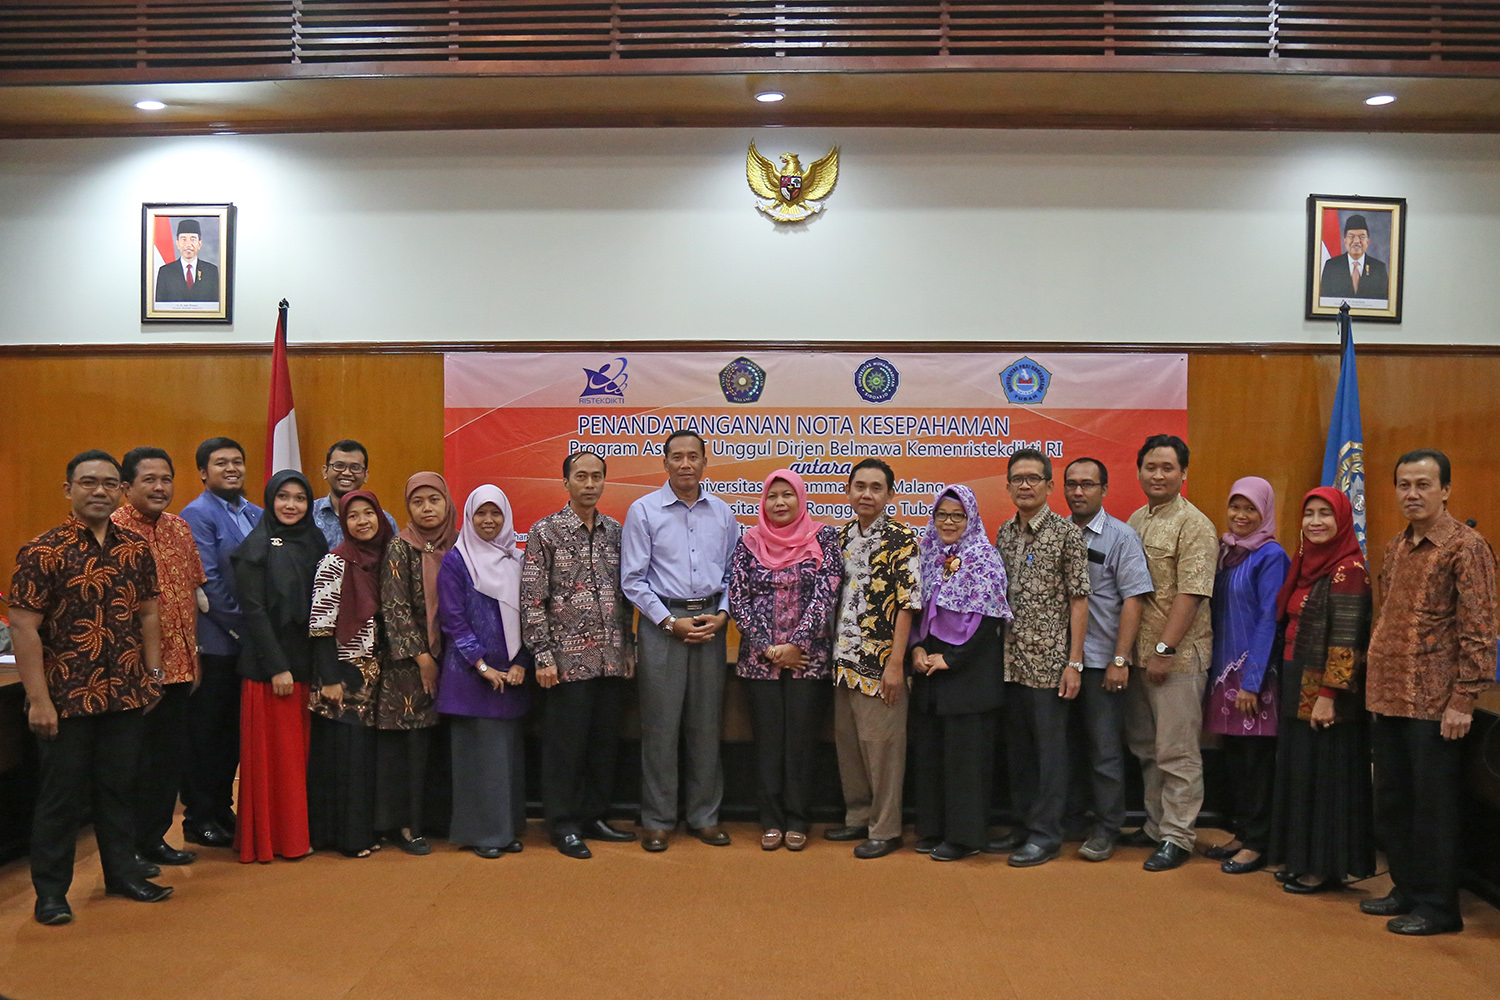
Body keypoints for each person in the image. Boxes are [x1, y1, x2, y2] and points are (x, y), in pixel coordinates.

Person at [10, 451, 170, 925]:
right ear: (69, 490)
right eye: (88, 483)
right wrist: (38, 699)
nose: (99, 491)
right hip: (66, 697)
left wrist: (154, 674)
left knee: (119, 789)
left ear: (121, 490)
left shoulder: (135, 549)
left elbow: (148, 615)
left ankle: (122, 875)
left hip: (124, 691)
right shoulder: (43, 551)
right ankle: (51, 894)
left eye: (108, 483)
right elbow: (22, 628)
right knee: (61, 797)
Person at [1362, 449, 1496, 935]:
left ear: (1446, 490)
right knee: (1394, 801)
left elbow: (1480, 630)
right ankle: (1406, 887)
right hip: (1389, 696)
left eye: (1423, 484)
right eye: (1403, 485)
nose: (1412, 494)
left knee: (1432, 807)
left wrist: (1464, 699)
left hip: (1436, 704)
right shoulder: (1396, 545)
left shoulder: (1466, 546)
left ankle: (1439, 905)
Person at [621, 429, 741, 852]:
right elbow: (633, 581)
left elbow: (732, 575)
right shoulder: (644, 511)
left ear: (705, 462)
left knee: (706, 725)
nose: (686, 464)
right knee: (660, 726)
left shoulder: (724, 514)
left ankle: (705, 817)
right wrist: (670, 622)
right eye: (677, 457)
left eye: (694, 456)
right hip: (661, 627)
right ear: (665, 463)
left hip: (711, 622)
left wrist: (722, 614)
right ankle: (657, 819)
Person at [521, 451, 637, 860]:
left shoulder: (615, 532)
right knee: (565, 747)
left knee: (603, 743)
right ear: (565, 483)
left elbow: (626, 596)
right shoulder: (545, 532)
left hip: (609, 659)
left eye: (597, 477)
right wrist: (542, 656)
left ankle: (594, 816)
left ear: (605, 482)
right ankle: (564, 823)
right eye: (581, 477)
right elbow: (533, 600)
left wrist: (628, 647)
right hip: (565, 665)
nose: (589, 484)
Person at [1266, 488, 1375, 895]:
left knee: (1325, 775)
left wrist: (1328, 695)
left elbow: (1347, 643)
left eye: (1325, 514)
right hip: (1299, 676)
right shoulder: (1307, 564)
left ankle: (1324, 867)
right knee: (1302, 772)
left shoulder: (1349, 571)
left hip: (1328, 688)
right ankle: (1304, 858)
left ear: (1342, 520)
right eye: (1308, 513)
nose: (1315, 521)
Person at [727, 469, 842, 852]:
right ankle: (771, 818)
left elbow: (827, 594)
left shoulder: (823, 537)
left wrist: (796, 644)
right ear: (763, 502)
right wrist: (766, 646)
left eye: (787, 495)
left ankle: (798, 817)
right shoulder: (748, 542)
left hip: (808, 659)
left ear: (800, 499)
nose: (779, 503)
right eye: (773, 496)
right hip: (759, 662)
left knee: (801, 741)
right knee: (768, 741)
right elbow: (738, 598)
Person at [990, 449, 1090, 868]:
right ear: (1008, 486)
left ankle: (1047, 834)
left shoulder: (1067, 535)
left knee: (1050, 753)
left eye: (1034, 478)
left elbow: (1080, 600)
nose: (1025, 485)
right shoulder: (1003, 533)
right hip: (1009, 664)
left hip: (1050, 665)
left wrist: (1075, 662)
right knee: (1019, 751)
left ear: (1050, 486)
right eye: (1018, 478)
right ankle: (1022, 824)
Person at [1122, 434, 1217, 872]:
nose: (1158, 475)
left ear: (1183, 474)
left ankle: (1178, 836)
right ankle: (1156, 824)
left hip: (1175, 658)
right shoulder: (1136, 519)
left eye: (1167, 468)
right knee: (1146, 746)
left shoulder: (1194, 524)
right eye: (1150, 467)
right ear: (1139, 471)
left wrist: (1165, 648)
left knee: (1177, 751)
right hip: (1138, 656)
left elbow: (1192, 593)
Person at [111, 447, 207, 871]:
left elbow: (191, 595)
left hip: (180, 668)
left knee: (167, 763)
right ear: (126, 486)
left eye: (165, 478)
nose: (159, 487)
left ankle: (153, 839)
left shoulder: (180, 529)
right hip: (132, 673)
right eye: (149, 479)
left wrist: (195, 657)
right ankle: (124, 849)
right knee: (130, 765)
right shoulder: (110, 531)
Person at [908, 486, 1010, 862]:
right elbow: (916, 610)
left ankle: (966, 837)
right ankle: (934, 828)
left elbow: (988, 621)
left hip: (968, 674)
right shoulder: (928, 553)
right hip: (930, 670)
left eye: (957, 516)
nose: (948, 523)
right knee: (933, 754)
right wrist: (916, 648)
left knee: (965, 760)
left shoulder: (984, 557)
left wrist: (952, 658)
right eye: (942, 515)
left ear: (971, 519)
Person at [1059, 458, 1153, 863]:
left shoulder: (1121, 537)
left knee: (1104, 750)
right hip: (1057, 662)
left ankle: (1107, 826)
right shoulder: (1056, 532)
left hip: (1100, 662)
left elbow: (1134, 599)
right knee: (1067, 748)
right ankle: (1073, 819)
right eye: (1072, 484)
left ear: (1104, 489)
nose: (1079, 492)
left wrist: (1121, 658)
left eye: (1088, 485)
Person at [826, 458, 921, 860]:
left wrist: (896, 664)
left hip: (881, 663)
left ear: (889, 495)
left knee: (882, 748)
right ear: (849, 492)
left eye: (876, 487)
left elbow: (908, 604)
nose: (866, 494)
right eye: (859, 486)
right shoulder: (839, 537)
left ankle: (886, 828)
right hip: (843, 662)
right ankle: (859, 816)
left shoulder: (902, 540)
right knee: (850, 747)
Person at [230, 470, 327, 863]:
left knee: (300, 758)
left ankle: (297, 833)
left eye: (300, 498)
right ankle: (274, 840)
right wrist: (277, 668)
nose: (291, 505)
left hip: (307, 666)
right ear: (269, 501)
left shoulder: (315, 541)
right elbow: (254, 614)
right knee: (278, 760)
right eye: (282, 497)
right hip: (272, 673)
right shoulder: (254, 548)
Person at [437, 486, 532, 859]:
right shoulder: (456, 561)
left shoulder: (519, 560)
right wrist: (482, 665)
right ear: (469, 517)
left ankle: (505, 830)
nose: (489, 521)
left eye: (496, 513)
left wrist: (522, 663)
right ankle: (483, 835)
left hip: (512, 677)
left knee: (506, 757)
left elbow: (531, 616)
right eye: (481, 514)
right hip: (470, 678)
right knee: (477, 759)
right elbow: (453, 620)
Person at [1203, 477, 1288, 875]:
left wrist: (1252, 682)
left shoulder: (1270, 556)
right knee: (1234, 758)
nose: (1240, 516)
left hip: (1254, 679)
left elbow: (1269, 619)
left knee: (1256, 762)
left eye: (1250, 509)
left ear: (1265, 512)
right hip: (1223, 675)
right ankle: (1242, 830)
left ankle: (1259, 842)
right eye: (1235, 506)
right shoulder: (1227, 553)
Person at [180, 436, 261, 848]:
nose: (232, 468)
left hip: (248, 648)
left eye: (238, 461)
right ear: (202, 472)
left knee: (232, 733)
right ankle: (197, 815)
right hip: (215, 644)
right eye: (221, 463)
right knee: (206, 735)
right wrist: (250, 630)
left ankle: (221, 808)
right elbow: (206, 583)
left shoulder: (255, 511)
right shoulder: (197, 514)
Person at [307, 491, 393, 858]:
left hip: (378, 674)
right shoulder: (334, 562)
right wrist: (329, 679)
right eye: (353, 516)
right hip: (343, 673)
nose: (362, 521)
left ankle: (361, 830)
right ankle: (345, 837)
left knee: (366, 758)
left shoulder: (388, 557)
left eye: (368, 513)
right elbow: (320, 626)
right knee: (344, 758)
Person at [375, 472, 456, 856]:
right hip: (409, 666)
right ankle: (407, 825)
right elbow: (394, 608)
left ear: (446, 503)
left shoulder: (458, 544)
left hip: (454, 658)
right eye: (418, 502)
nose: (427, 509)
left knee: (441, 742)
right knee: (411, 746)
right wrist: (423, 657)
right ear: (408, 507)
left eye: (434, 500)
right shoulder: (399, 546)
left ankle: (437, 818)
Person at [310, 440, 398, 549]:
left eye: (355, 467)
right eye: (339, 465)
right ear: (325, 471)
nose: (347, 473)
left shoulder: (384, 521)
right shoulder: (309, 514)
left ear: (365, 475)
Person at [1318, 214, 1390, 301]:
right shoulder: (1332, 266)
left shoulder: (1378, 268)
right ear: (1344, 241)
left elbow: (1384, 302)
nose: (1356, 241)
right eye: (1351, 236)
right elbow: (1324, 300)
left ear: (1368, 241)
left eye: (1362, 237)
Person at [154, 218, 220, 303]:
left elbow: (216, 304)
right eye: (183, 239)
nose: (188, 244)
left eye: (193, 239)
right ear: (177, 243)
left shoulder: (211, 271)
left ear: (199, 244)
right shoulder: (165, 272)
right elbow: (160, 306)